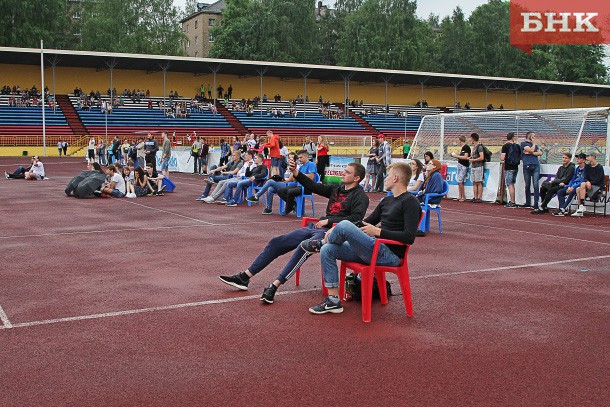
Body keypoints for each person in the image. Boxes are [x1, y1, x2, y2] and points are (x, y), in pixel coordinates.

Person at [219, 160, 369, 305]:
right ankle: (245, 277)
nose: (343, 174)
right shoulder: (337, 189)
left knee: (304, 246)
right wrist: (295, 172)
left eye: (347, 172)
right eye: (344, 171)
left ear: (356, 178)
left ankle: (275, 285)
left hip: (334, 232)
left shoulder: (360, 196)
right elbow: (313, 186)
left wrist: (330, 222)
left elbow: (356, 219)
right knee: (277, 242)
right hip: (316, 227)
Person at [300, 162, 421, 315]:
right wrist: (335, 228)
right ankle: (333, 300)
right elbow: (365, 222)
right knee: (328, 249)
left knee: (344, 224)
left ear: (396, 178)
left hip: (390, 254)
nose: (385, 178)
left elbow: (409, 237)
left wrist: (378, 232)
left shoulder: (410, 201)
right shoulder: (387, 200)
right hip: (374, 248)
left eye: (388, 175)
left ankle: (322, 242)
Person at [277, 150, 317, 215]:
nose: (299, 159)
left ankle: (288, 208)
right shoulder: (301, 167)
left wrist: (299, 175)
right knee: (280, 191)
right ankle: (293, 204)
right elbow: (296, 179)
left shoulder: (311, 164)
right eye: (299, 158)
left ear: (306, 156)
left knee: (290, 191)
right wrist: (294, 176)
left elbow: (311, 176)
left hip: (307, 187)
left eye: (301, 157)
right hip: (299, 185)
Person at [571, 151, 606, 217]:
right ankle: (580, 208)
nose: (586, 158)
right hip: (588, 185)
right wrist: (587, 182)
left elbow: (598, 180)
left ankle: (581, 206)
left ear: (593, 157)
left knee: (583, 184)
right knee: (578, 189)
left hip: (597, 187)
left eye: (588, 156)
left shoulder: (599, 167)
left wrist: (589, 182)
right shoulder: (587, 167)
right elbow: (585, 178)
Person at [520, 131, 542, 209]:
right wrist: (533, 146)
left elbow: (540, 153)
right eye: (533, 136)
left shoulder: (534, 145)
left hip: (535, 165)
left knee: (536, 184)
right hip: (527, 165)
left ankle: (536, 203)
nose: (535, 138)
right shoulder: (523, 144)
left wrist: (531, 152)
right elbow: (531, 150)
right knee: (527, 184)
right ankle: (528, 202)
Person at [500, 132, 521, 208]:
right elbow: (520, 156)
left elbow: (502, 157)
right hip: (515, 166)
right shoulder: (517, 146)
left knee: (510, 184)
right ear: (513, 138)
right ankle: (512, 201)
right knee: (512, 183)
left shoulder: (505, 146)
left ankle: (512, 201)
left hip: (508, 167)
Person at [450, 135, 471, 202]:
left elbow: (465, 157)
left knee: (460, 181)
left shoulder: (466, 147)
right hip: (460, 164)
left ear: (460, 141)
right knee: (459, 181)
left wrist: (456, 156)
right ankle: (460, 195)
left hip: (464, 165)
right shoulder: (463, 148)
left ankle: (463, 196)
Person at [468, 133, 485, 203]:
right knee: (474, 182)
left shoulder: (479, 147)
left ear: (473, 138)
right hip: (474, 166)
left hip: (478, 166)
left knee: (479, 182)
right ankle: (475, 196)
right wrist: (471, 158)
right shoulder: (474, 147)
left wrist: (473, 160)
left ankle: (479, 197)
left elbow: (482, 157)